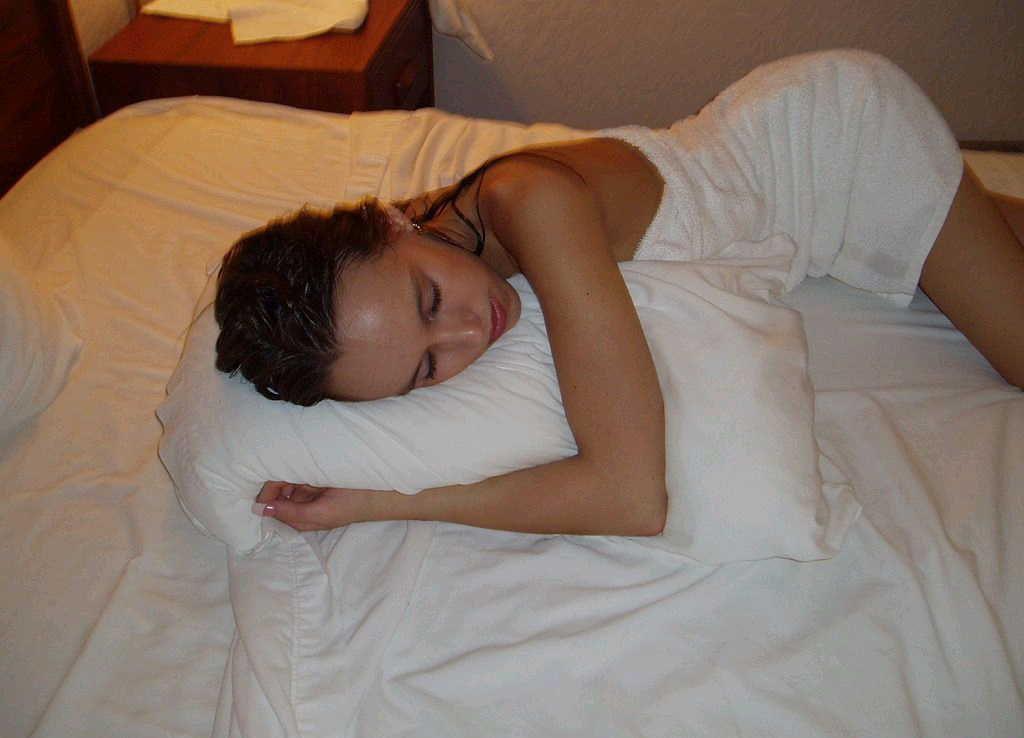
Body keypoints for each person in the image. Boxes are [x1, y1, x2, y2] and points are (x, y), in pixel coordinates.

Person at [214, 50, 1024, 535]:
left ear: (394, 222)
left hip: (837, 143)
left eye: (429, 301)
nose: (467, 332)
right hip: (791, 190)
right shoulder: (423, 236)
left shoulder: (532, 201)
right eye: (427, 369)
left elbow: (632, 498)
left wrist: (379, 503)